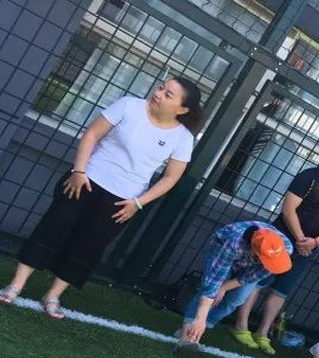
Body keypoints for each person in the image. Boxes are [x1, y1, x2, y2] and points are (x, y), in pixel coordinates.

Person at [0, 78, 203, 317]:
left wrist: (138, 203)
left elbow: (170, 178)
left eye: (168, 95)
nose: (158, 94)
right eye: (160, 87)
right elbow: (91, 134)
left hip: (122, 202)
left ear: (182, 109)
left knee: (89, 246)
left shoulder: (182, 138)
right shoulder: (128, 105)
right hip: (84, 181)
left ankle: (52, 296)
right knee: (51, 229)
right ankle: (15, 285)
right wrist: (79, 171)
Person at [232, 142, 319, 355]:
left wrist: (315, 242)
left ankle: (262, 333)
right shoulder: (310, 176)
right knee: (257, 281)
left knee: (281, 290)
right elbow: (288, 209)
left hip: (308, 249)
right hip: (279, 239)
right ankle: (240, 326)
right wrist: (301, 239)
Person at [176, 221, 292, 348]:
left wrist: (224, 287)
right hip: (221, 249)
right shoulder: (233, 243)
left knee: (237, 299)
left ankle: (200, 328)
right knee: (210, 293)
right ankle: (187, 335)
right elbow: (212, 283)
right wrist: (201, 317)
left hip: (251, 262)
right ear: (254, 252)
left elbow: (251, 276)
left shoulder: (284, 251)